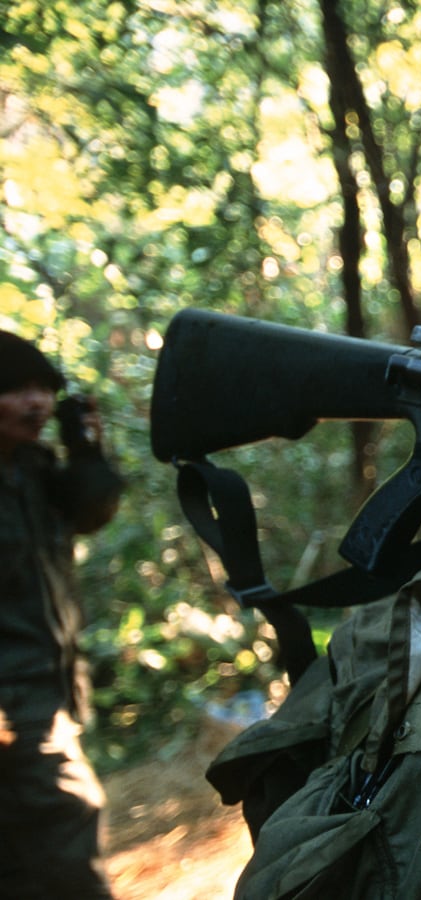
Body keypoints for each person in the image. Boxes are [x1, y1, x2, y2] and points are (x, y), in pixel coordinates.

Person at [0, 329, 123, 899]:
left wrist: (87, 450)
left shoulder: (31, 470)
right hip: (15, 705)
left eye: (44, 390)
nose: (37, 404)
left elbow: (89, 512)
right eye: (17, 390)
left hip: (43, 694)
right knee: (67, 822)